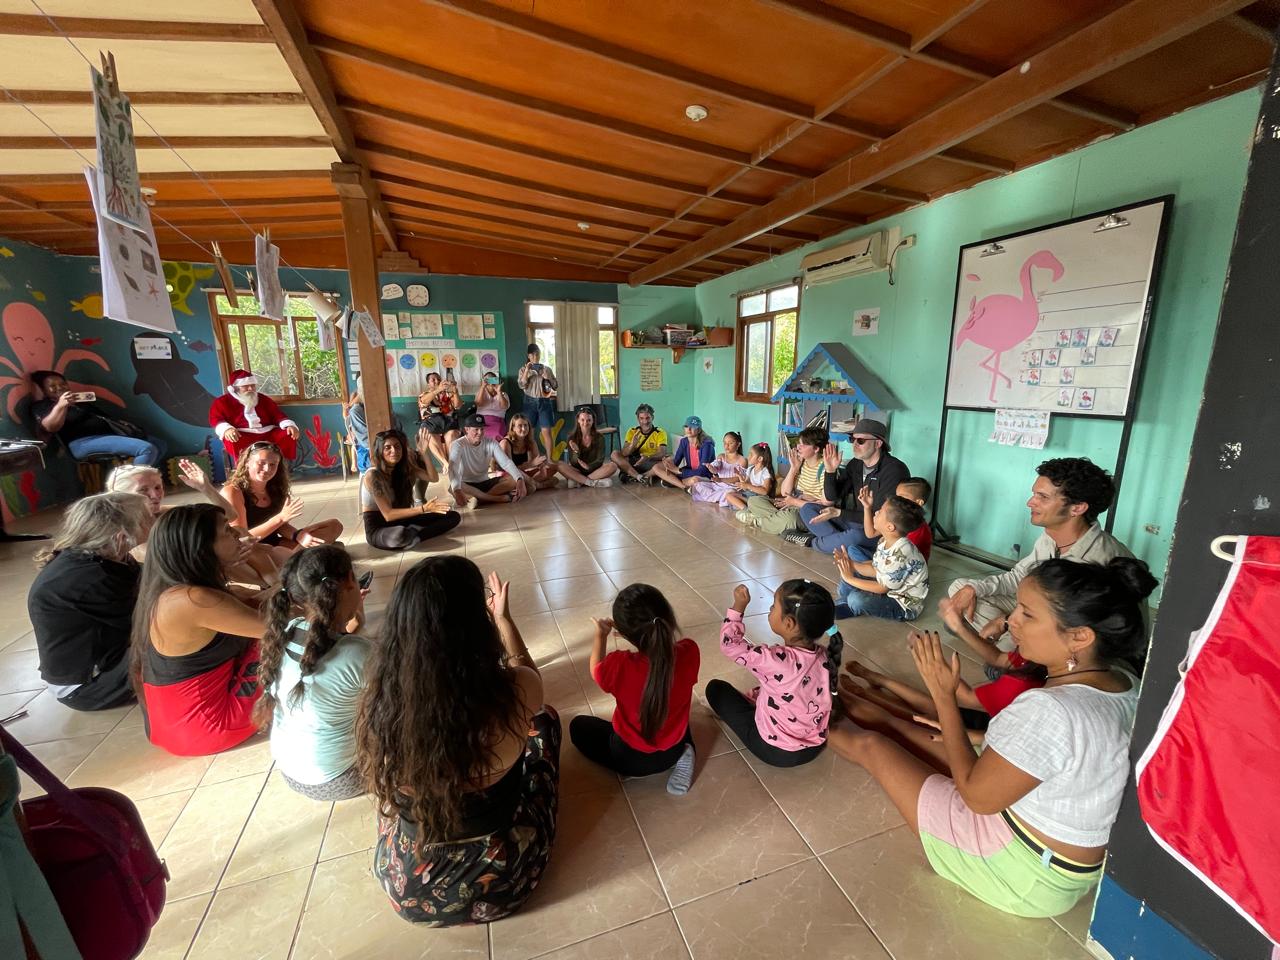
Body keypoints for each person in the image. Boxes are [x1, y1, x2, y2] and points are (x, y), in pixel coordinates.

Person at [828, 558, 1158, 919]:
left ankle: (798, 718)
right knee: (915, 734)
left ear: (1080, 636)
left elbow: (976, 798)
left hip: (1021, 872)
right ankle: (834, 699)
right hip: (1061, 865)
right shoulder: (1125, 683)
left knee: (876, 748)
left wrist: (943, 694)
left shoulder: (1051, 709)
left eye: (1027, 614)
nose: (1011, 620)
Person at [360, 557, 559, 925]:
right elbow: (533, 684)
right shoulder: (515, 691)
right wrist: (505, 620)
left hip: (410, 893)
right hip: (504, 882)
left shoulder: (381, 700)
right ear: (476, 626)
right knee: (545, 725)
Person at [130, 504, 266, 756]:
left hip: (172, 730)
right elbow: (280, 627)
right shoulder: (194, 599)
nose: (237, 534)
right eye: (226, 531)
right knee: (289, 637)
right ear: (201, 547)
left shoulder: (171, 591)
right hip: (209, 728)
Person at [945, 457, 1133, 631]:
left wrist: (1006, 621)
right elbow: (1019, 577)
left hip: (1074, 630)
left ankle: (1009, 643)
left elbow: (1073, 624)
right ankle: (1007, 640)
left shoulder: (1098, 561)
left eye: (1042, 497)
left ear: (1077, 508)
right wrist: (974, 589)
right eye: (1034, 494)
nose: (1030, 502)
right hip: (1045, 609)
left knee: (1016, 629)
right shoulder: (1051, 536)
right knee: (961, 587)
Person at [256, 545, 371, 800]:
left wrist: (353, 623)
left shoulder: (288, 629)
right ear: (351, 581)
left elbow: (333, 664)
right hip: (340, 778)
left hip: (291, 772)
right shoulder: (358, 652)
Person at [27, 492, 153, 712]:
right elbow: (151, 618)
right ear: (122, 535)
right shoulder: (90, 578)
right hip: (88, 687)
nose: (153, 522)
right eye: (146, 519)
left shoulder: (104, 557)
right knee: (178, 636)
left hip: (109, 658)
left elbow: (151, 581)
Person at [570, 584, 699, 794]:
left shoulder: (619, 665)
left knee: (578, 726)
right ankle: (687, 751)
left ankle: (680, 752)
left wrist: (600, 636)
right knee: (679, 711)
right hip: (673, 748)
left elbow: (596, 670)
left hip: (631, 760)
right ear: (669, 619)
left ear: (621, 634)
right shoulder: (690, 651)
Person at [705, 581, 843, 767]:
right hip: (814, 747)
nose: (769, 610)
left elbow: (730, 645)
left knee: (715, 689)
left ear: (788, 623)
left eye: (772, 606)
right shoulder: (826, 655)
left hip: (774, 751)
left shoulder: (774, 660)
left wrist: (738, 607)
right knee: (766, 689)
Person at [105, 461, 279, 588]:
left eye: (158, 487)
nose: (155, 495)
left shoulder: (166, 512)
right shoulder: (123, 530)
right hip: (174, 587)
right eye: (143, 490)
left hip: (205, 571)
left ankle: (275, 586)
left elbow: (229, 515)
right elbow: (175, 565)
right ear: (121, 494)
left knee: (239, 532)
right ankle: (275, 588)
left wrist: (206, 488)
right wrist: (226, 554)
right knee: (220, 546)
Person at [790, 418, 910, 551]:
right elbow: (832, 498)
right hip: (854, 521)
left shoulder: (894, 470)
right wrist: (830, 471)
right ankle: (841, 544)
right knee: (807, 509)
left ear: (878, 443)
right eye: (853, 440)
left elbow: (879, 516)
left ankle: (813, 542)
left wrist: (839, 513)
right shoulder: (855, 464)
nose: (855, 445)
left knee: (855, 536)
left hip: (877, 529)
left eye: (861, 441)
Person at [220, 442, 343, 564]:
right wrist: (280, 518)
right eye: (261, 463)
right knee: (279, 552)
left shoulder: (275, 488)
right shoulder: (233, 491)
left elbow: (280, 527)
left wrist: (298, 535)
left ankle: (307, 556)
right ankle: (312, 556)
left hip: (275, 543)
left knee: (334, 525)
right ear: (247, 462)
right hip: (250, 550)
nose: (267, 469)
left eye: (273, 464)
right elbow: (242, 538)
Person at [30, 370, 165, 466]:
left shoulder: (80, 403)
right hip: (81, 443)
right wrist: (61, 405)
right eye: (52, 386)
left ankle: (142, 477)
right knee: (146, 449)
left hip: (108, 435)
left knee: (159, 444)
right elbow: (50, 427)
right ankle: (133, 487)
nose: (59, 388)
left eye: (63, 384)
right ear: (44, 390)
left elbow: (104, 418)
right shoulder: (42, 406)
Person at [833, 496, 929, 621]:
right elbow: (875, 568)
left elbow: (882, 588)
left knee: (856, 599)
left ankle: (850, 606)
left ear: (890, 527)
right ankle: (843, 602)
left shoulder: (901, 554)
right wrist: (850, 564)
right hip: (887, 583)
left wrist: (850, 578)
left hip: (901, 603)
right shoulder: (885, 540)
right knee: (848, 574)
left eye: (881, 511)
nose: (876, 511)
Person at [362, 429, 460, 550]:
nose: (394, 451)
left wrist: (424, 453)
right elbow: (388, 515)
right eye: (388, 447)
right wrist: (423, 509)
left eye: (397, 447)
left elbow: (433, 478)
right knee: (399, 535)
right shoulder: (373, 476)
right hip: (379, 528)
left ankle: (416, 537)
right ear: (380, 451)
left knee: (453, 516)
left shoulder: (403, 469)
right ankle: (411, 533)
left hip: (401, 520)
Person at [738, 427, 831, 535]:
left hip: (809, 511)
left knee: (790, 519)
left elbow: (824, 504)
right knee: (754, 501)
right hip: (793, 504)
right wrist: (794, 468)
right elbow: (784, 492)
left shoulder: (825, 468)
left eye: (803, 445)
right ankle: (776, 519)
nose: (798, 447)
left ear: (816, 449)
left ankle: (759, 521)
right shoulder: (802, 463)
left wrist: (797, 501)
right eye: (798, 443)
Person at [209, 368, 299, 465]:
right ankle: (243, 469)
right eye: (246, 386)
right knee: (232, 439)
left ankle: (280, 466)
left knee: (288, 433)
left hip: (267, 433)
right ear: (235, 387)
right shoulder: (222, 402)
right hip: (242, 435)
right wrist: (227, 429)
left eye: (252, 385)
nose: (251, 389)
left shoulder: (263, 399)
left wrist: (289, 425)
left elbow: (277, 415)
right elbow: (216, 419)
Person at [449, 414, 528, 506]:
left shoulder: (491, 442)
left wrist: (519, 479)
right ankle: (497, 498)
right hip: (466, 484)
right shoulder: (457, 444)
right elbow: (453, 466)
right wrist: (457, 490)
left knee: (514, 479)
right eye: (476, 429)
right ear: (467, 429)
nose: (480, 432)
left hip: (485, 483)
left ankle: (479, 500)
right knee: (453, 487)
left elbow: (506, 463)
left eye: (482, 429)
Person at [555, 406, 618, 489]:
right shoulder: (571, 437)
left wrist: (588, 466)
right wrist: (576, 452)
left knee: (613, 466)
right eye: (582, 420)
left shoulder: (600, 437)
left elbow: (600, 459)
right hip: (577, 471)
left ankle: (579, 482)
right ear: (578, 420)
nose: (585, 423)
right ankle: (591, 482)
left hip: (594, 470)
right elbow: (573, 462)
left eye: (589, 420)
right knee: (559, 464)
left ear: (593, 421)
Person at [516, 343, 558, 461]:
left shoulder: (547, 369)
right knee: (529, 433)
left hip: (544, 401)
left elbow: (555, 386)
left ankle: (550, 459)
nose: (535, 356)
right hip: (529, 402)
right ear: (528, 356)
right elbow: (521, 385)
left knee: (547, 432)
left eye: (538, 354)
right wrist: (527, 371)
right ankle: (532, 460)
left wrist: (548, 377)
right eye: (533, 354)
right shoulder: (523, 369)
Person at [648, 416, 716, 488]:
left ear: (699, 430)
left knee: (695, 480)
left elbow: (702, 471)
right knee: (656, 467)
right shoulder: (684, 441)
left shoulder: (707, 445)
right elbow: (676, 461)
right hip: (689, 472)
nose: (689, 429)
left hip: (704, 475)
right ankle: (684, 486)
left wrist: (678, 471)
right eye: (686, 426)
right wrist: (668, 464)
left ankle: (675, 482)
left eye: (692, 427)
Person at [611, 403, 668, 484]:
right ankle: (640, 477)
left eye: (648, 418)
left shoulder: (660, 433)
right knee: (614, 454)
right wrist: (632, 445)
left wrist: (648, 457)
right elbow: (624, 453)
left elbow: (662, 453)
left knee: (670, 461)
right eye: (642, 418)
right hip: (633, 463)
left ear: (652, 417)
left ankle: (638, 476)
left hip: (650, 462)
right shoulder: (632, 431)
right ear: (638, 419)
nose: (645, 421)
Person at [688, 431, 748, 505]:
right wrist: (711, 467)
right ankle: (719, 498)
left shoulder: (742, 460)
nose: (726, 446)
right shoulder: (721, 456)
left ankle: (713, 497)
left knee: (730, 493)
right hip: (718, 485)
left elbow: (738, 478)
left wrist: (721, 479)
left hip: (731, 488)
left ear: (738, 444)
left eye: (730, 443)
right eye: (725, 443)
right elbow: (715, 469)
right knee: (698, 485)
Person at [501, 413, 558, 490]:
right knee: (553, 480)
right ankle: (540, 485)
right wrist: (530, 464)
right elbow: (510, 469)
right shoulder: (506, 443)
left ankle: (530, 485)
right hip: (509, 475)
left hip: (523, 473)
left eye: (525, 425)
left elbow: (537, 461)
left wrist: (542, 467)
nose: (524, 429)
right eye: (520, 426)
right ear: (513, 428)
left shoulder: (530, 441)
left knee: (553, 468)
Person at [417, 372, 461, 469]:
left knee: (452, 434)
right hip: (431, 424)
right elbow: (424, 401)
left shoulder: (449, 394)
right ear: (428, 384)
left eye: (438, 379)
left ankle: (451, 464)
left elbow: (457, 406)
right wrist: (438, 389)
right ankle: (445, 463)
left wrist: (455, 391)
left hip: (448, 424)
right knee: (428, 434)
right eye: (433, 380)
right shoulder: (424, 394)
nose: (437, 381)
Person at [723, 441, 775, 512]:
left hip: (759, 499)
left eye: (751, 455)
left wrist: (747, 486)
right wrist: (740, 478)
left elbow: (765, 491)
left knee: (736, 503)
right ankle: (746, 510)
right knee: (728, 495)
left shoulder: (765, 472)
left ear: (760, 459)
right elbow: (745, 486)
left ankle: (747, 509)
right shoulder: (750, 469)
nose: (748, 457)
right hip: (749, 496)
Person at [342, 377, 370, 472]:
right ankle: (354, 464)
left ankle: (354, 464)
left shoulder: (356, 410)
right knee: (354, 447)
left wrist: (348, 406)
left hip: (359, 440)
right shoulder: (354, 411)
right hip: (360, 440)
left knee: (355, 446)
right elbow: (346, 416)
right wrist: (347, 407)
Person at [475, 370, 510, 440]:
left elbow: (504, 407)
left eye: (493, 379)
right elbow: (478, 403)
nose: (490, 382)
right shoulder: (481, 393)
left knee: (497, 433)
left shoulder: (503, 394)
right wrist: (483, 387)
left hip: (497, 421)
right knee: (479, 433)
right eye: (487, 380)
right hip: (481, 421)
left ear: (496, 380)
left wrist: (499, 392)